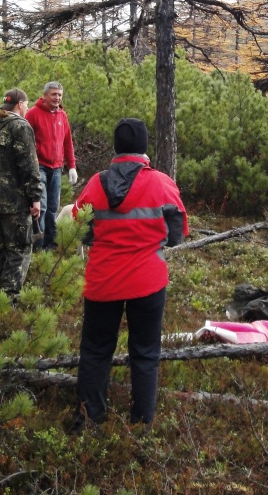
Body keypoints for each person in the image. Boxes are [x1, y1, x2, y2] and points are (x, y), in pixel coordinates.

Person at [70, 118, 188, 429]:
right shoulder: (162, 183)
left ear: (116, 146)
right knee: (145, 352)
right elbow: (177, 233)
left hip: (103, 280)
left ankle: (89, 418)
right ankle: (142, 422)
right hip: (148, 280)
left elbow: (79, 229)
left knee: (95, 350)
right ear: (144, 147)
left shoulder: (96, 184)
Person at [0, 88, 42, 302]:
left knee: (3, 248)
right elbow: (29, 165)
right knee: (19, 250)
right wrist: (35, 197)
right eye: (26, 104)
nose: (27, 108)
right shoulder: (20, 127)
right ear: (20, 105)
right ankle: (9, 301)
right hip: (16, 201)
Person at [25, 80, 77, 251]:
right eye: (54, 94)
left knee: (53, 206)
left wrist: (72, 166)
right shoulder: (33, 114)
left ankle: (51, 244)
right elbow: (25, 142)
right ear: (45, 95)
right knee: (41, 205)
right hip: (39, 166)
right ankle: (38, 245)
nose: (57, 98)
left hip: (56, 167)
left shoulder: (62, 115)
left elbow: (67, 142)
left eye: (60, 95)